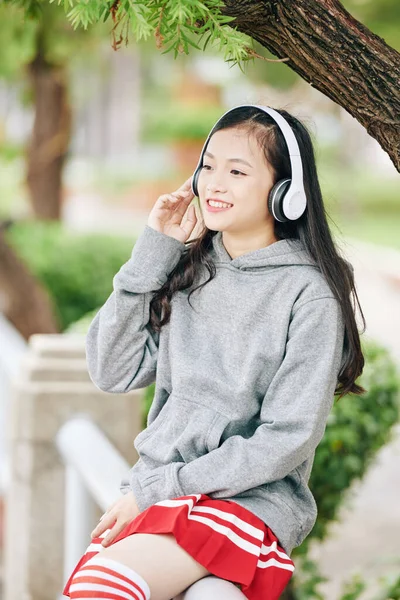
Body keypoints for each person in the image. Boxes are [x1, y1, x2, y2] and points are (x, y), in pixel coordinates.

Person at [63, 104, 366, 600]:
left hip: (247, 504)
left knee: (100, 588)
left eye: (237, 171)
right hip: (164, 494)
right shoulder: (190, 271)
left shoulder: (308, 295)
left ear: (285, 192)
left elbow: (287, 437)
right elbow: (111, 370)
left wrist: (157, 489)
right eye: (207, 165)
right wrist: (152, 253)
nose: (213, 183)